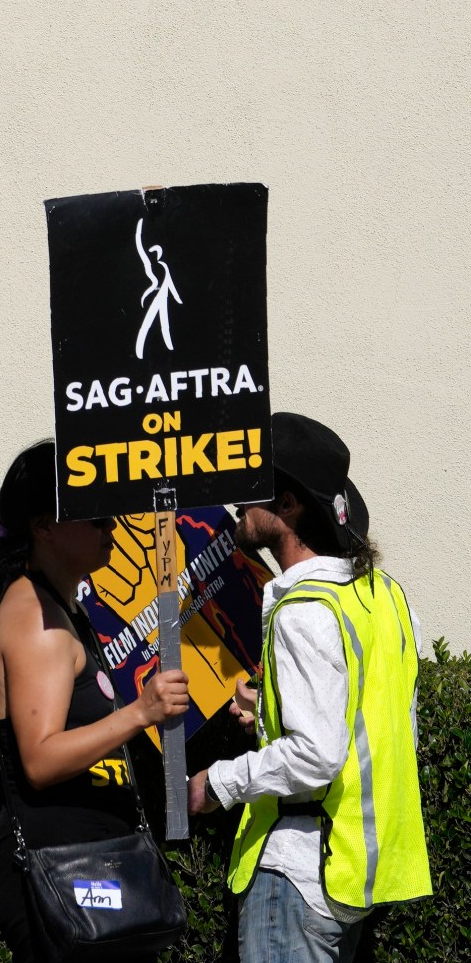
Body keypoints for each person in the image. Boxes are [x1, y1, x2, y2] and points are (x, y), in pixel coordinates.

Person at [188, 411, 431, 962]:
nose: (236, 508)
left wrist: (219, 781)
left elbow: (317, 755)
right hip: (358, 873)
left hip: (301, 874)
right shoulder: (387, 596)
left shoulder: (302, 611)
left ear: (288, 505)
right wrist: (269, 713)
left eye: (249, 491)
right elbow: (381, 719)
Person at [0, 438, 190, 963]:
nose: (111, 529)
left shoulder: (61, 610)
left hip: (86, 870)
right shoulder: (36, 622)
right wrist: (140, 713)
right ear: (44, 527)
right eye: (94, 519)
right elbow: (40, 759)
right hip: (66, 878)